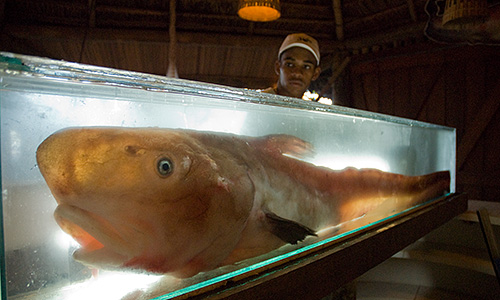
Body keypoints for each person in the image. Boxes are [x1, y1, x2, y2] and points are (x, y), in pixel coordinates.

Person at [262, 33, 321, 99]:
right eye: (289, 64)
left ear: (315, 74)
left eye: (306, 67)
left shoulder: (306, 109)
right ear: (278, 67)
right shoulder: (255, 104)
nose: (297, 73)